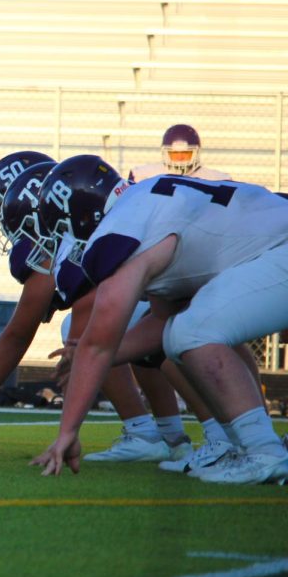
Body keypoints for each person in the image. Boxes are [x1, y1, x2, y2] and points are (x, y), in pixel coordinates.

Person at [31, 156, 288, 484]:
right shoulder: (147, 200)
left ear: (81, 215)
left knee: (194, 332)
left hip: (280, 248)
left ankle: (264, 450)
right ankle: (247, 445)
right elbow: (162, 322)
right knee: (185, 330)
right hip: (275, 242)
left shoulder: (118, 232)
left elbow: (98, 346)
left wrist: (68, 430)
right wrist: (89, 354)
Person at [0, 158, 205, 466]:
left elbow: (21, 332)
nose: (6, 222)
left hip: (191, 274)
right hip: (194, 266)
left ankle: (205, 435)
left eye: (6, 209)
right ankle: (172, 436)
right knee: (150, 331)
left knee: (165, 337)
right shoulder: (100, 213)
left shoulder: (71, 237)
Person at [128, 124, 230, 182]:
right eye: (175, 154)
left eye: (186, 154)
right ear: (166, 153)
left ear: (196, 153)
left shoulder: (216, 178)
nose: (180, 158)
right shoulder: (143, 175)